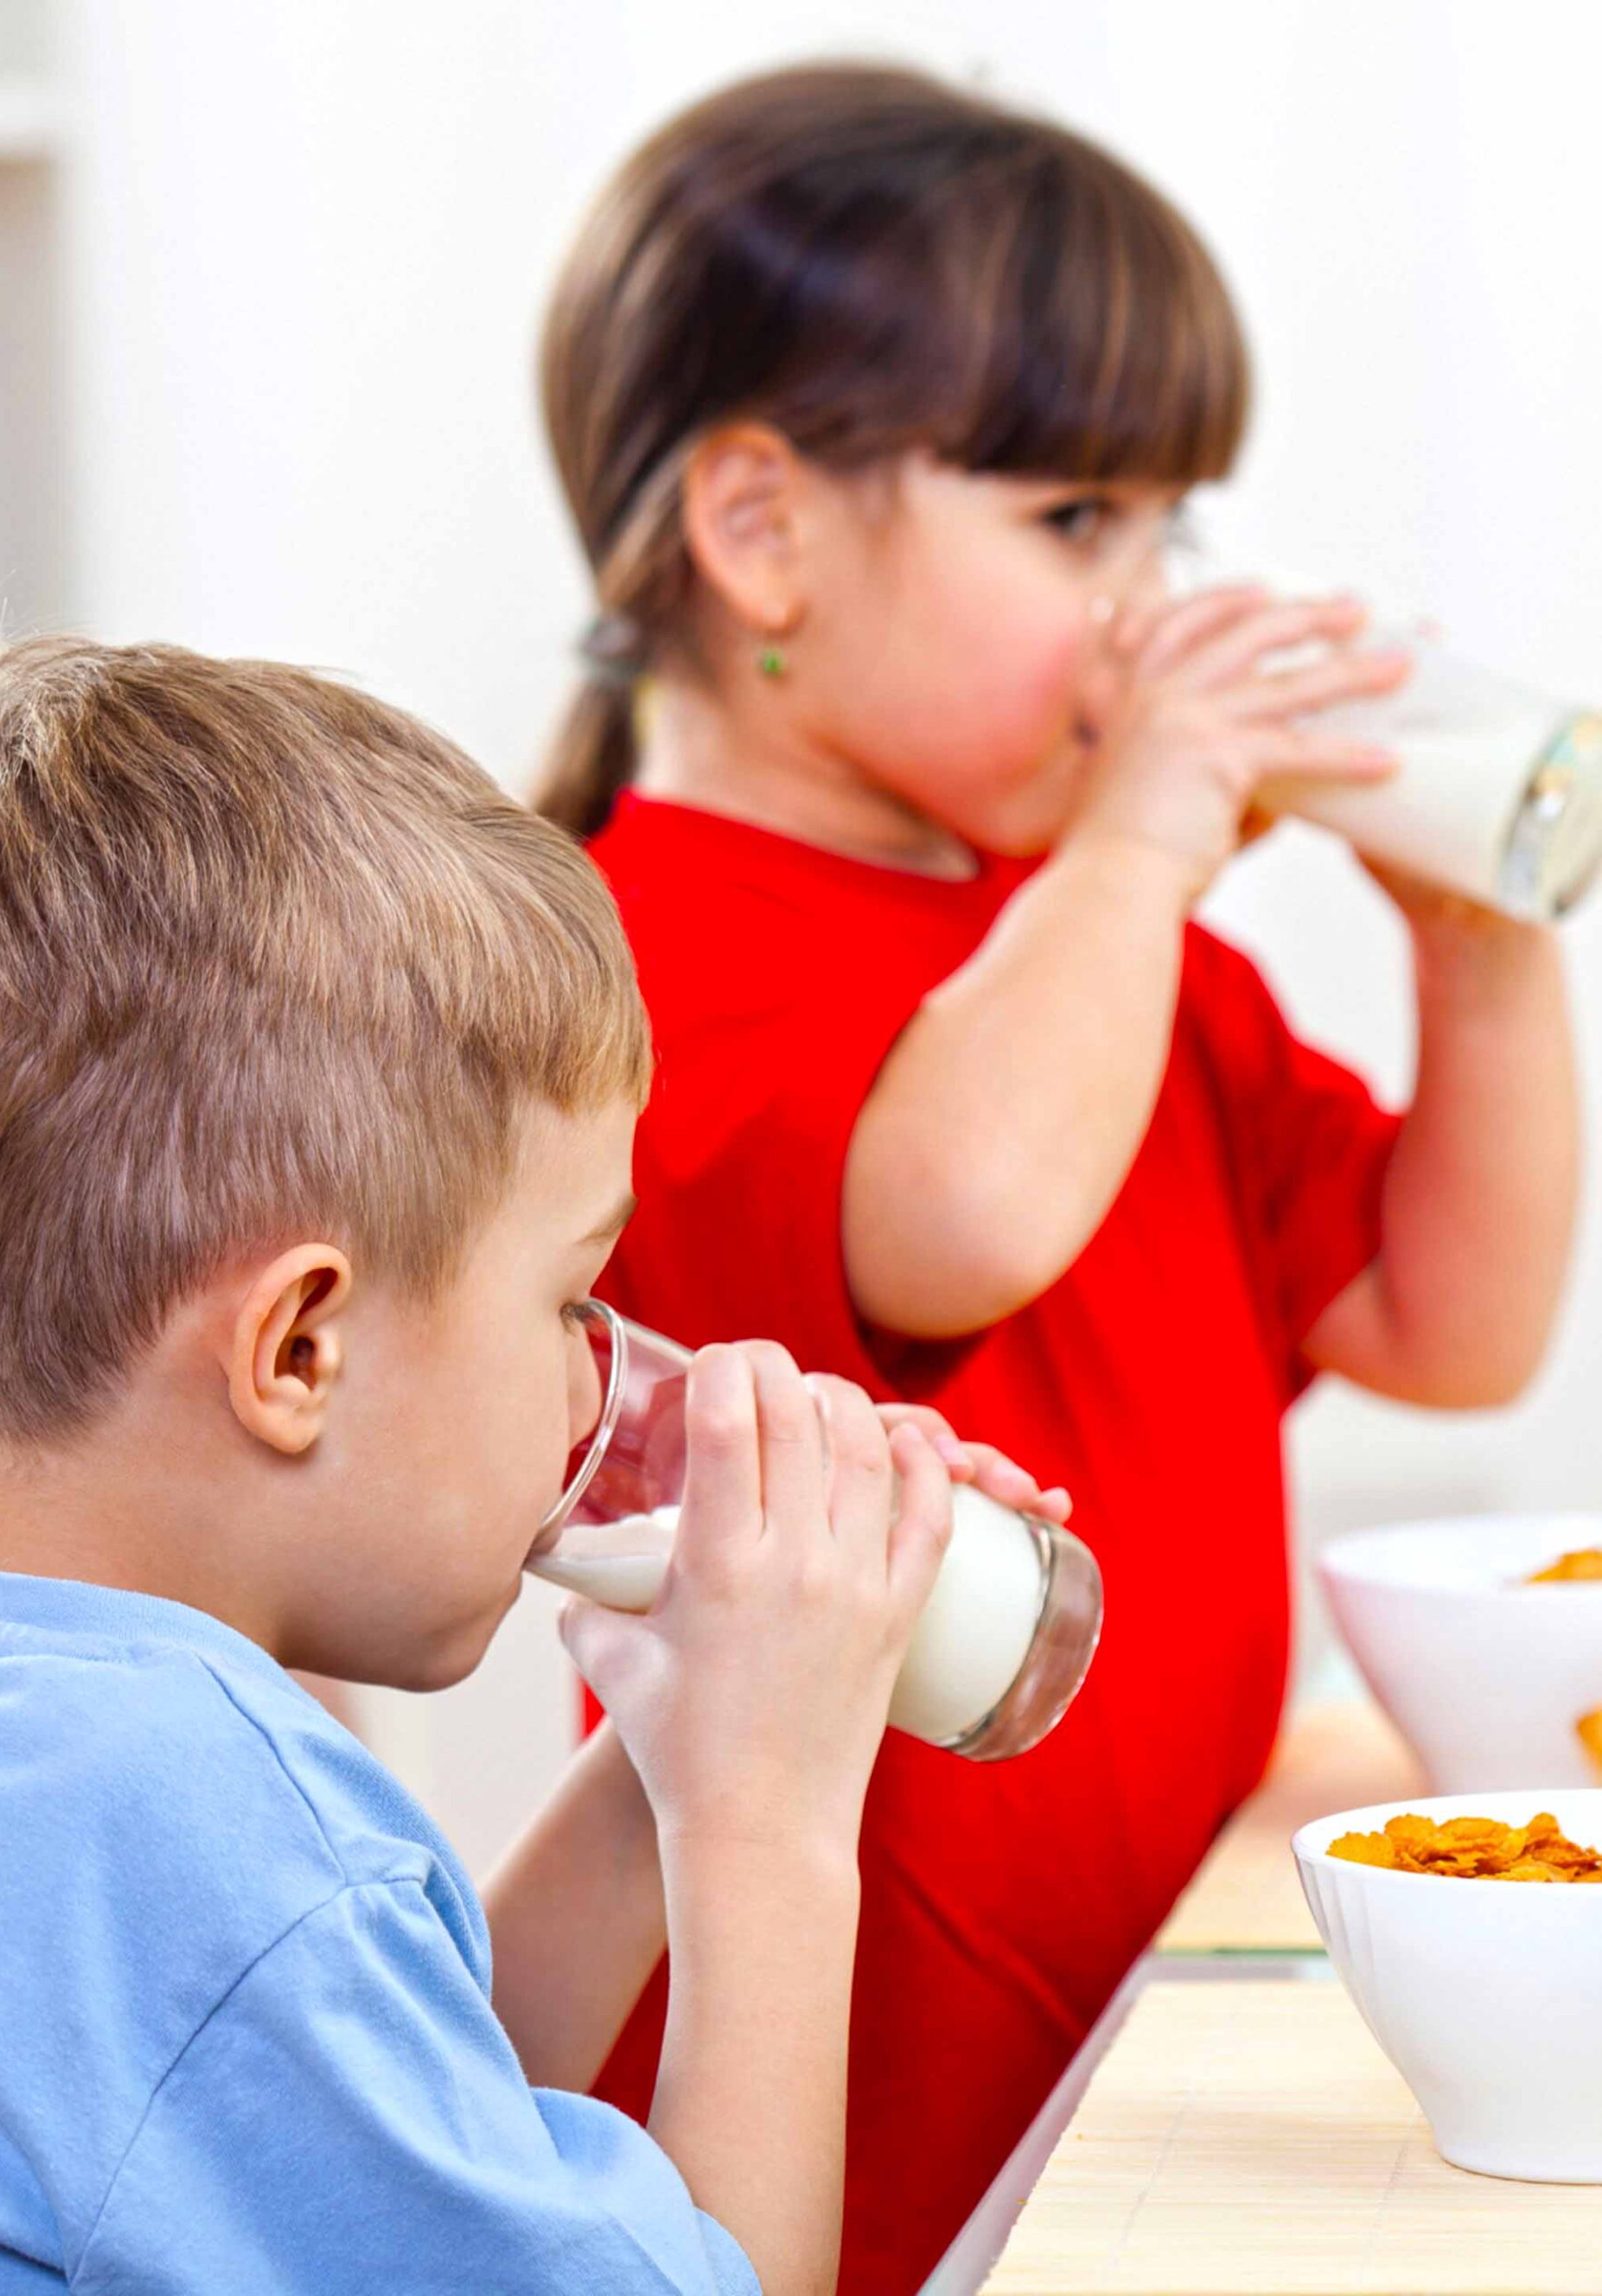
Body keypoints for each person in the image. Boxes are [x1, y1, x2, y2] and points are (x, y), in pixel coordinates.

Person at [535, 62, 1579, 2293]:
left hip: (1154, 1971)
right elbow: (963, 1211)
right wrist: (1147, 830)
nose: (1150, 613)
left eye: (1174, 530)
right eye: (1081, 519)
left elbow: (1453, 1317)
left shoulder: (1103, 943)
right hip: (834, 2085)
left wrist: (1477, 941)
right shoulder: (616, 958)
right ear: (763, 531)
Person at [0, 637, 1060, 2294]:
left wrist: (671, 1747)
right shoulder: (195, 1824)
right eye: (569, 1297)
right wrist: (767, 1818)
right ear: (296, 1353)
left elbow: (417, 2160)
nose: (593, 1376)